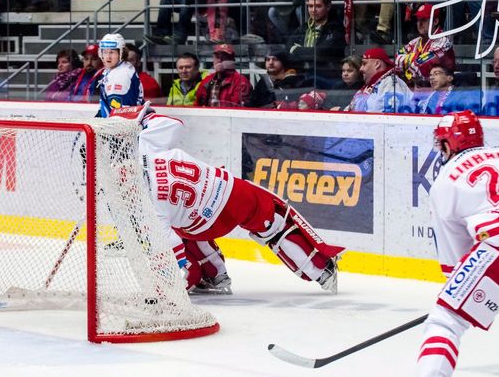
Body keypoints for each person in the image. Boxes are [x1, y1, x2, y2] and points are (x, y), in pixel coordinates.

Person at [110, 103, 344, 293]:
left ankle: (214, 274)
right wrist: (138, 118)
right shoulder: (146, 146)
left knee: (182, 226)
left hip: (201, 225)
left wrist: (167, 287)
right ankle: (322, 270)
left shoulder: (144, 202)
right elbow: (173, 123)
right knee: (275, 224)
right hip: (229, 192)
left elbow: (170, 247)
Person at [417, 110, 499, 376]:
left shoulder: (444, 183)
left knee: (445, 320)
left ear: (449, 144)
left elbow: (457, 262)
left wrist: (455, 297)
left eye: (441, 142)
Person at [286, 0, 346, 79]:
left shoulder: (336, 29)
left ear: (328, 7)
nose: (313, 10)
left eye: (318, 6)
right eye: (310, 6)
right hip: (302, 75)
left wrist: (297, 49)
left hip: (327, 77)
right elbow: (288, 47)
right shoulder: (303, 28)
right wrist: (312, 52)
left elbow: (320, 54)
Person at [394, 3, 455, 87]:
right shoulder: (415, 42)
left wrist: (409, 59)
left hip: (440, 91)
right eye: (418, 20)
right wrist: (415, 59)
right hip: (418, 90)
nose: (419, 23)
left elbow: (419, 67)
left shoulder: (444, 42)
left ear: (435, 21)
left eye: (424, 20)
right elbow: (396, 59)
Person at [348, 47, 412, 112]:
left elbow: (388, 118)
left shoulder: (391, 83)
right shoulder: (370, 86)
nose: (361, 69)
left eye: (364, 64)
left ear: (377, 64)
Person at [96, 33, 143, 117]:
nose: (107, 57)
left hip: (122, 125)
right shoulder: (118, 68)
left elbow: (120, 117)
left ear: (121, 53)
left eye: (112, 52)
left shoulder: (119, 76)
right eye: (105, 52)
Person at [247, 47, 312, 108]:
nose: (270, 63)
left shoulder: (296, 81)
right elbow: (252, 104)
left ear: (283, 62)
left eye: (275, 59)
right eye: (268, 59)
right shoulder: (263, 82)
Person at [195, 44, 252, 108]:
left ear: (232, 60)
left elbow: (239, 109)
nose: (219, 61)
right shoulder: (207, 80)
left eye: (224, 57)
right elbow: (197, 106)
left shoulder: (241, 82)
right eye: (217, 57)